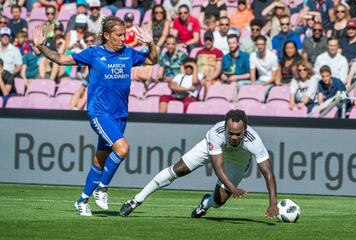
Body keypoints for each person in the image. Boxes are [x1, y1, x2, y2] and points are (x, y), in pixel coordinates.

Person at [33, 15, 158, 216]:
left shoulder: (128, 53)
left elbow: (153, 59)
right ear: (107, 35)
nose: (123, 39)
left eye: (124, 34)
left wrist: (151, 43)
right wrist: (41, 47)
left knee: (100, 159)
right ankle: (102, 188)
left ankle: (82, 201)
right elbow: (61, 58)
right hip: (99, 113)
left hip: (120, 115)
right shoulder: (93, 53)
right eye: (119, 35)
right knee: (122, 148)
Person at [120, 109, 279, 220]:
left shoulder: (255, 142)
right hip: (211, 148)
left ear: (245, 130)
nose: (234, 137)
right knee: (179, 169)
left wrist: (273, 203)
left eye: (238, 134)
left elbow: (268, 174)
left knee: (219, 202)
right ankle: (136, 200)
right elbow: (218, 167)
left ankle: (204, 204)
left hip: (239, 160)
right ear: (225, 128)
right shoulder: (216, 134)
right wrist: (234, 188)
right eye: (230, 133)